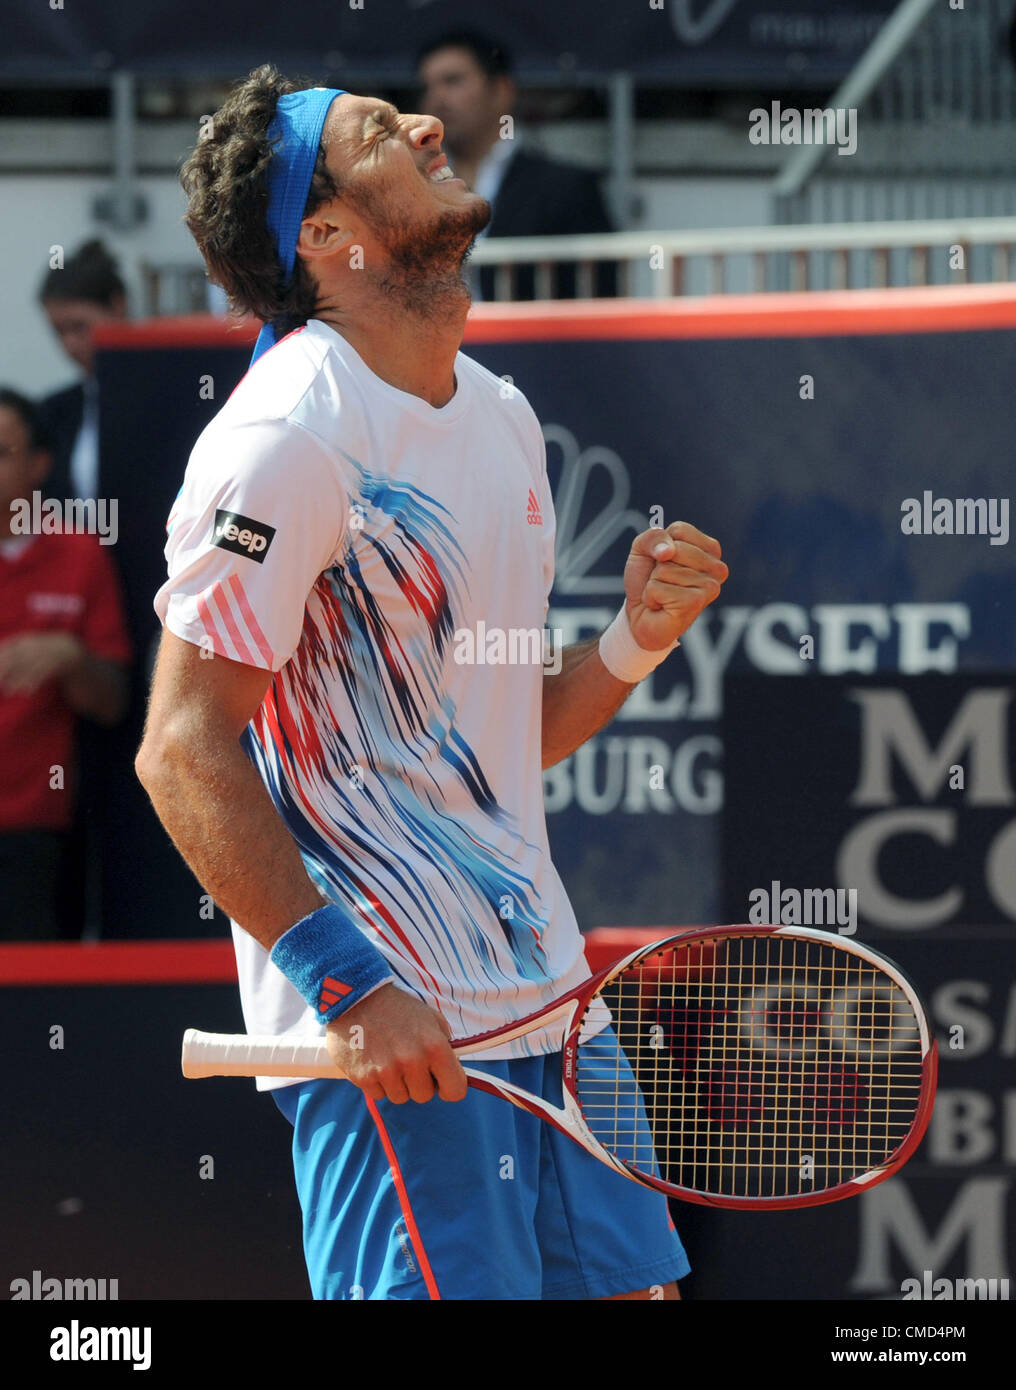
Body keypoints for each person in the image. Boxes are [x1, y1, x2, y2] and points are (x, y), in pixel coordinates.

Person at [136, 65, 728, 1300]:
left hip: (554, 1012)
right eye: (373, 132)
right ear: (328, 234)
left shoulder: (502, 415)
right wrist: (353, 987)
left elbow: (510, 732)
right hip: (393, 1042)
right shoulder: (284, 438)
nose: (419, 124)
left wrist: (633, 638)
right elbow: (182, 751)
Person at [0, 389, 130, 939]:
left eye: (2, 451)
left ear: (39, 465)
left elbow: (114, 703)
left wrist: (68, 656)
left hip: (37, 829)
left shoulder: (77, 552)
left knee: (34, 1004)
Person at [416, 30, 619, 300]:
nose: (437, 99)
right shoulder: (412, 184)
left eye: (453, 81)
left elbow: (597, 297)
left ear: (502, 91)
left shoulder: (566, 188)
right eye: (426, 87)